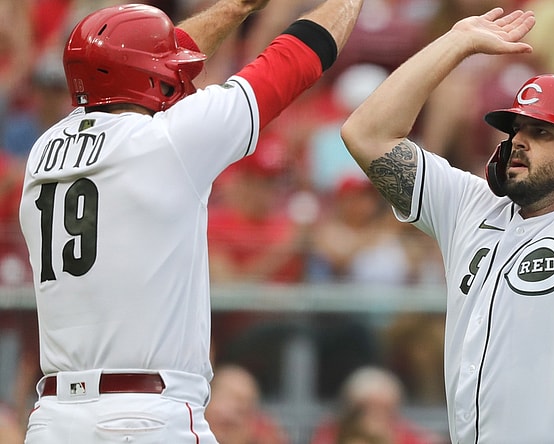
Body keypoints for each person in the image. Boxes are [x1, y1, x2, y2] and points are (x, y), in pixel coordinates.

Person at [16, 0, 364, 442]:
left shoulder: (44, 149)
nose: (176, 75)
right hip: (144, 417)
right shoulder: (168, 140)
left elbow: (137, 61)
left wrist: (237, 6)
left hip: (54, 419)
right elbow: (296, 58)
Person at [341, 3, 554, 443]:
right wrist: (457, 41)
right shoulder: (472, 206)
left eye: (543, 132)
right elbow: (366, 134)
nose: (520, 141)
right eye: (516, 130)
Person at [310, 366, 440, 444]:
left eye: (384, 409)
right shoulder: (331, 433)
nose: (376, 415)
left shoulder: (411, 435)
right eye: (368, 408)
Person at [205, 364, 289, 444]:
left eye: (245, 403)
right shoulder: (195, 428)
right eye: (228, 397)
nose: (232, 412)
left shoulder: (264, 434)